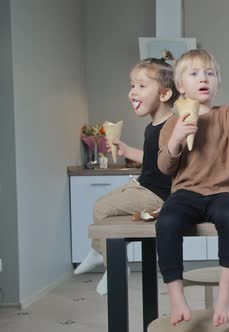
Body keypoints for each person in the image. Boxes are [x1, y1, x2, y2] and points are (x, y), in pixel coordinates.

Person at [156, 49, 229, 326]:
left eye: (210, 73)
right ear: (180, 87)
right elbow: (164, 167)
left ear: (217, 82)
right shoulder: (171, 124)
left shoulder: (227, 114)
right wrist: (176, 139)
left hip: (224, 191)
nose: (204, 79)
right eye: (194, 74)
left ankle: (225, 294)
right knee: (166, 223)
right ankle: (176, 295)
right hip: (187, 192)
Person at [74, 57, 179, 296]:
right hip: (143, 185)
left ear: (164, 94)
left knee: (102, 207)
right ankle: (98, 251)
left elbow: (172, 161)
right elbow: (155, 159)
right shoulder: (152, 125)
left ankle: (114, 266)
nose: (133, 91)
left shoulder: (172, 126)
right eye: (132, 85)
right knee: (103, 208)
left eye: (141, 86)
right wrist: (128, 151)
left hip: (157, 195)